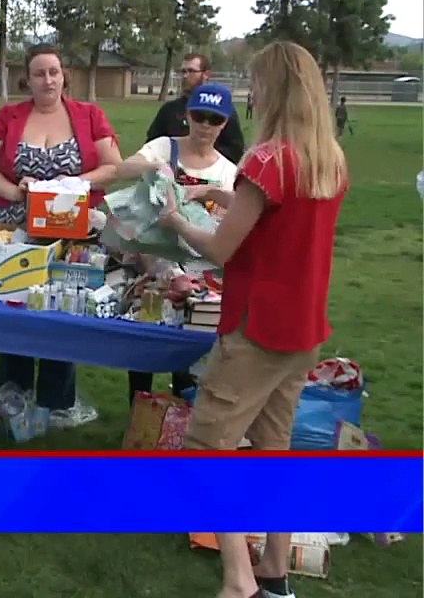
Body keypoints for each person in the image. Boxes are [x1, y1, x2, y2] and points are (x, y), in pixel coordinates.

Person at [160, 41, 347, 598]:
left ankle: (238, 579)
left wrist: (178, 222)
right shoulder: (328, 160)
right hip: (302, 327)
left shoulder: (267, 160)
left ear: (276, 89)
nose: (251, 93)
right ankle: (274, 568)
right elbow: (279, 226)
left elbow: (221, 250)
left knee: (207, 446)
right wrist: (224, 196)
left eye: (257, 83)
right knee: (273, 448)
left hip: (256, 328)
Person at [0, 43, 122, 420]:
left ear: (63, 76)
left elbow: (114, 166)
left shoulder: (89, 115)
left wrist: (70, 185)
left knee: (63, 311)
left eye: (54, 72)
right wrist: (14, 191)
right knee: (15, 308)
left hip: (72, 233)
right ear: (27, 79)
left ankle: (57, 402)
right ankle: (13, 396)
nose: (48, 80)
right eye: (39, 73)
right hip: (15, 227)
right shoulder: (8, 116)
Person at [109, 82, 240, 405]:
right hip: (151, 262)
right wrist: (154, 166)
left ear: (225, 123)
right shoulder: (166, 147)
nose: (205, 126)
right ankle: (139, 415)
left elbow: (231, 223)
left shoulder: (227, 171)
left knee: (188, 349)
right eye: (199, 116)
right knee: (144, 345)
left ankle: (180, 417)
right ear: (187, 115)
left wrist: (206, 198)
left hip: (198, 271)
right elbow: (122, 168)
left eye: (214, 119)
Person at [145, 53, 245, 164]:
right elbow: (151, 145)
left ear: (206, 74)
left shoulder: (221, 110)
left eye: (191, 71)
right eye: (183, 71)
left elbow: (235, 150)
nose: (185, 76)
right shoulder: (169, 109)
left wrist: (202, 160)